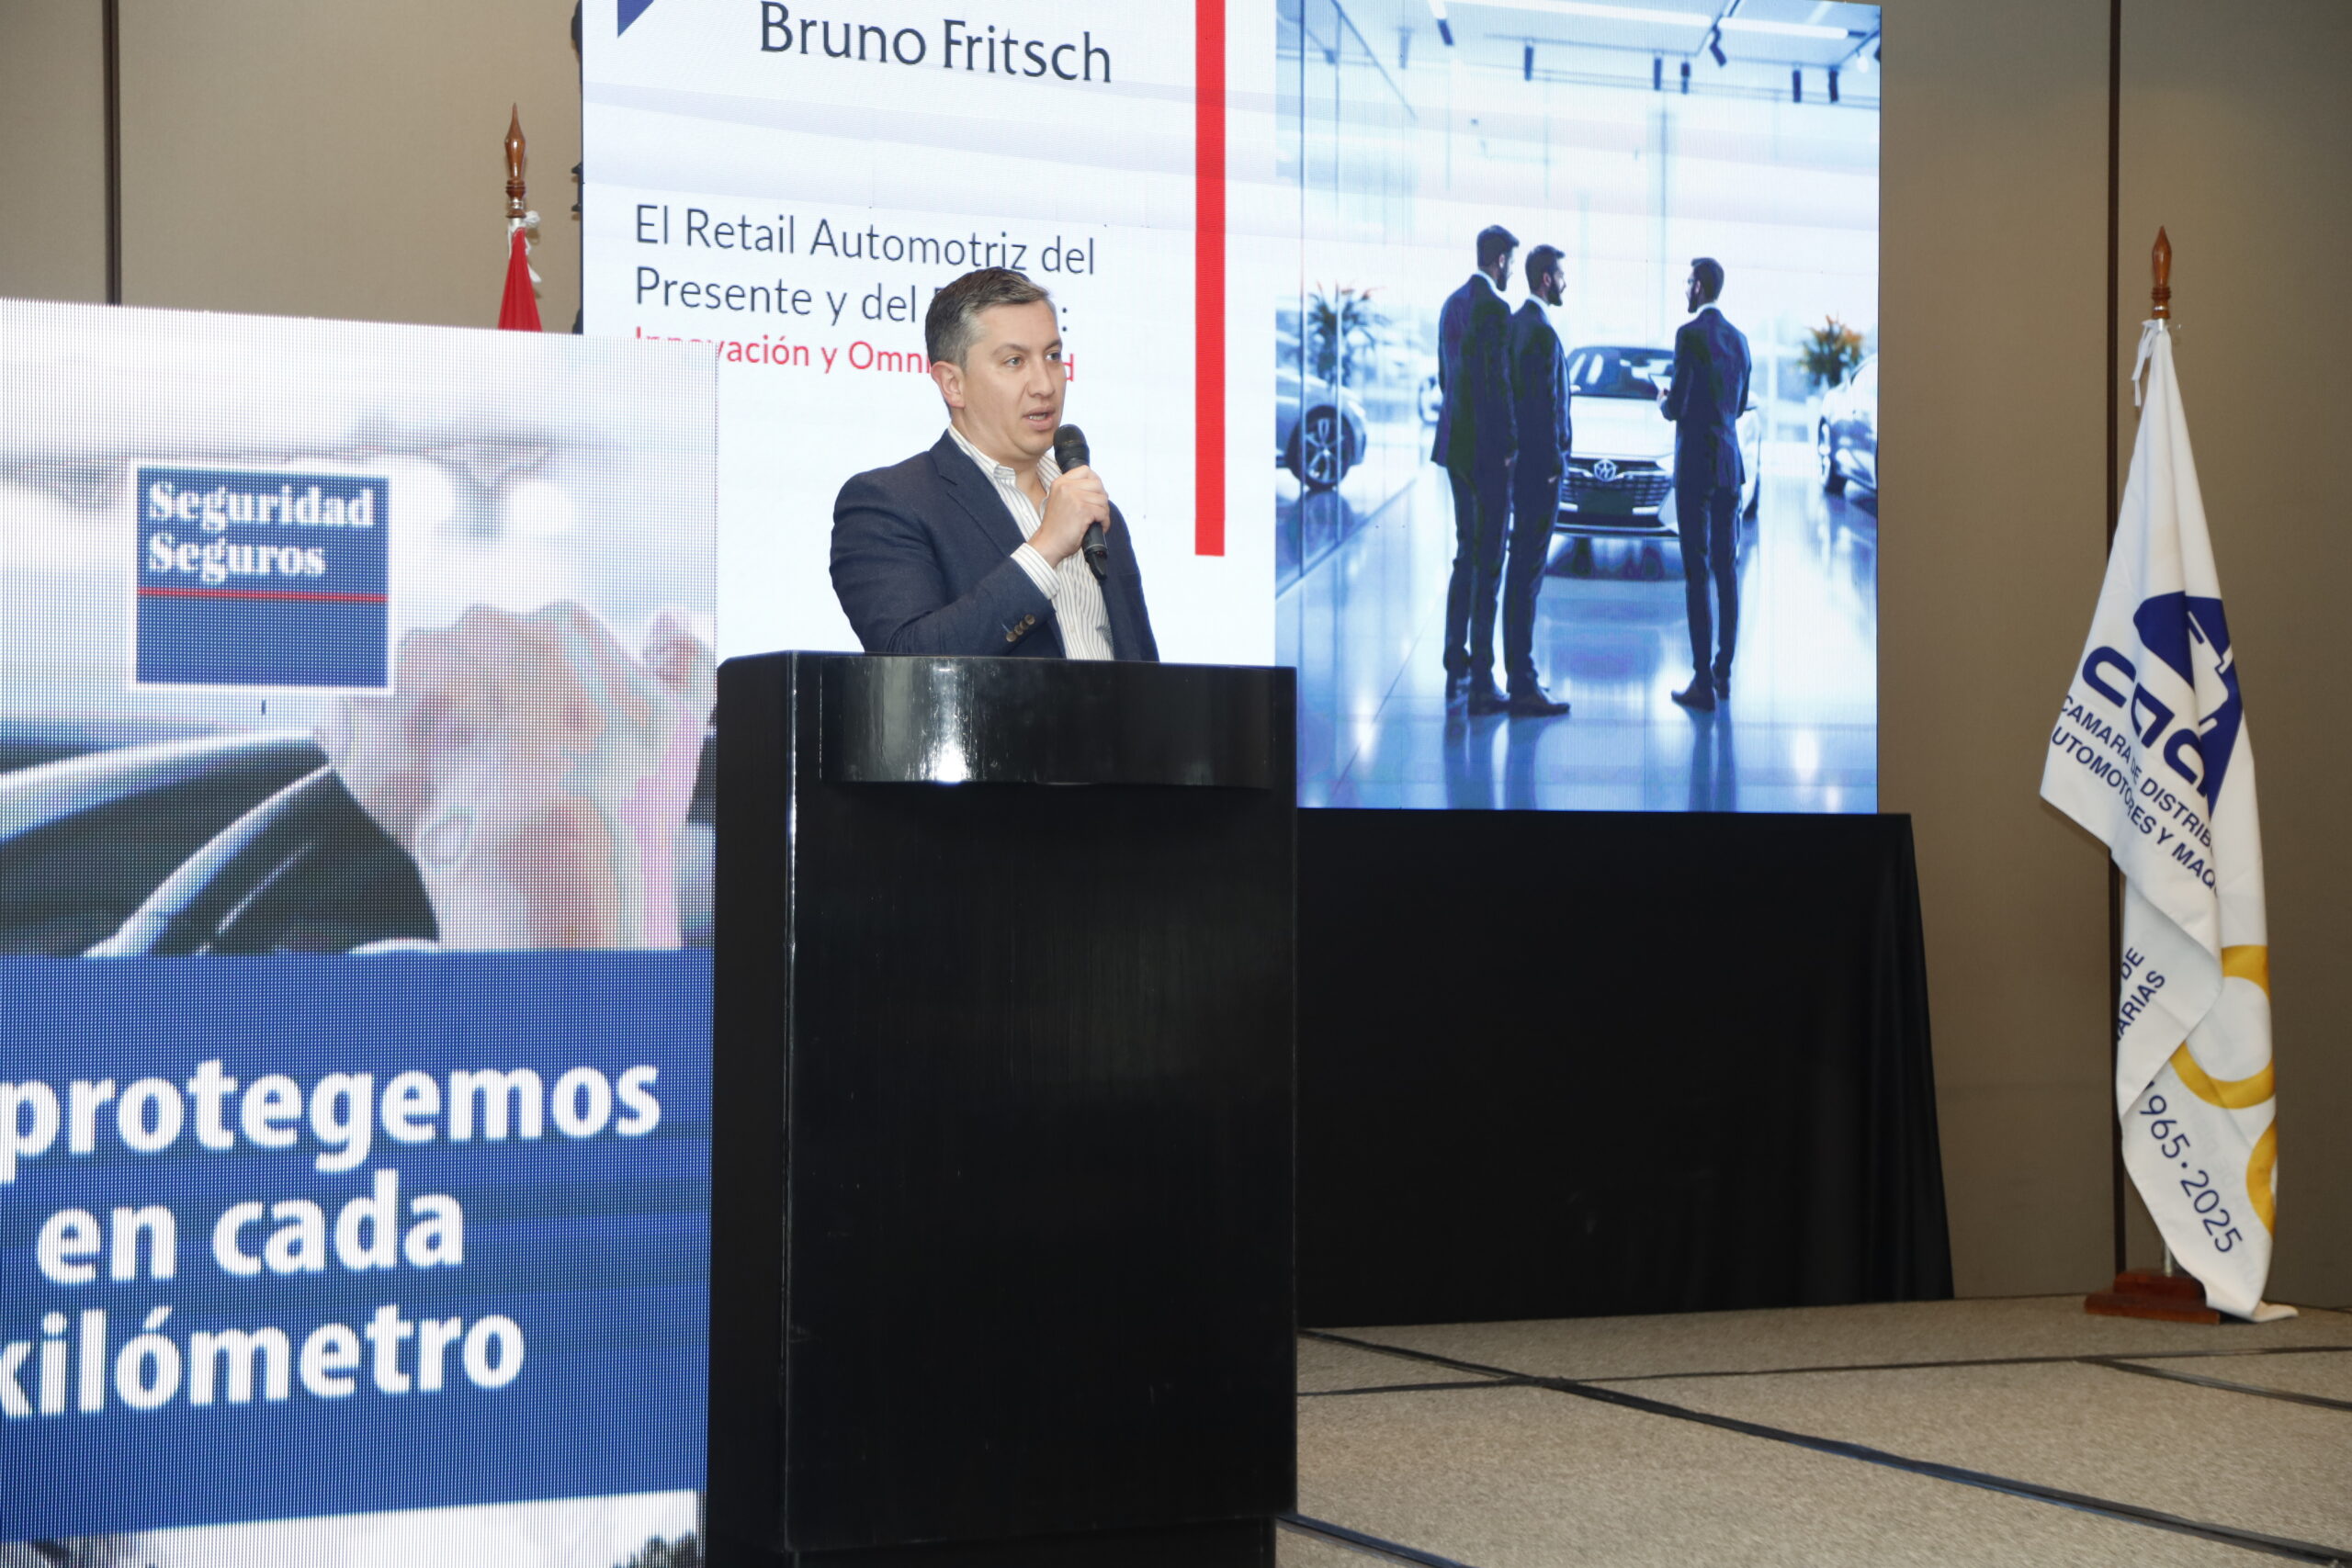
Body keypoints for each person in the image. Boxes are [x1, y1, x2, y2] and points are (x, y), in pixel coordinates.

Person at [831, 267, 1158, 660]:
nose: (1045, 385)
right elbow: (909, 660)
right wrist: (1046, 547)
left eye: (1053, 356)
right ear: (953, 384)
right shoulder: (889, 504)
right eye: (1014, 361)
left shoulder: (1096, 511)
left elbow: (1142, 667)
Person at [1660, 255, 1750, 712]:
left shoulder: (1688, 335)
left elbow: (1676, 406)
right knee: (1726, 571)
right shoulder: (1740, 340)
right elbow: (1741, 402)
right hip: (1728, 466)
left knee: (1696, 573)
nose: (1686, 289)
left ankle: (1701, 682)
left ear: (1698, 287)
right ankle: (1723, 673)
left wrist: (1662, 399)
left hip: (1695, 467)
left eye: (1687, 282)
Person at [1432, 225, 1518, 712]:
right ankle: (1484, 679)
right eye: (1510, 263)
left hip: (1453, 448)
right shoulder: (1496, 309)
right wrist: (1508, 445)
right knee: (1489, 561)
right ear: (1500, 261)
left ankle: (1455, 658)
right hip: (1486, 454)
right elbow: (1498, 384)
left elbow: (1446, 377)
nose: (1511, 272)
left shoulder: (1451, 304)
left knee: (1466, 553)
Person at [1499, 243, 1573, 718]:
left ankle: (1520, 675)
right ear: (1546, 279)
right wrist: (1552, 465)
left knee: (1519, 574)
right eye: (1561, 275)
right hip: (1539, 475)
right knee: (1528, 576)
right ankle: (1524, 685)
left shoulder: (1515, 326)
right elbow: (1543, 408)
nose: (1566, 283)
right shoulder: (1541, 332)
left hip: (1520, 471)